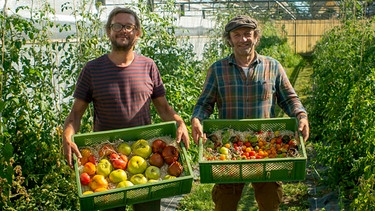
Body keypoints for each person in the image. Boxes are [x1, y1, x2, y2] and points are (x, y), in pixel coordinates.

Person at [62, 7, 190, 211]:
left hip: (146, 157)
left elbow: (164, 108)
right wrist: (67, 136)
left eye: (129, 26)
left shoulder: (149, 66)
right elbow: (76, 113)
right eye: (117, 26)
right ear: (108, 32)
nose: (123, 30)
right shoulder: (92, 69)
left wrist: (180, 123)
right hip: (106, 157)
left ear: (137, 32)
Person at [191, 15, 310, 211]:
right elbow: (205, 103)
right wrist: (197, 119)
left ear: (256, 37)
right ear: (229, 40)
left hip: (266, 146)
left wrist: (301, 115)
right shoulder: (217, 70)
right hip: (229, 148)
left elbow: (289, 99)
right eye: (237, 35)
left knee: (270, 201)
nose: (243, 39)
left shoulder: (272, 66)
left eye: (248, 34)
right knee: (225, 203)